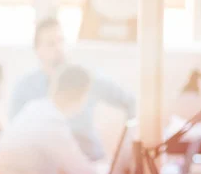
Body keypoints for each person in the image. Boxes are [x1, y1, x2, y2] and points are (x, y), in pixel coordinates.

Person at [9, 17, 136, 161]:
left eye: (61, 41)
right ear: (37, 50)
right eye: (51, 44)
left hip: (89, 161)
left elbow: (131, 102)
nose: (59, 48)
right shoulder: (24, 88)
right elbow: (16, 133)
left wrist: (129, 146)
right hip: (48, 171)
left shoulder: (86, 79)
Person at [0, 65, 97, 174]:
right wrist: (102, 172)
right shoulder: (52, 122)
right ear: (80, 94)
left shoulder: (36, 107)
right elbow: (84, 173)